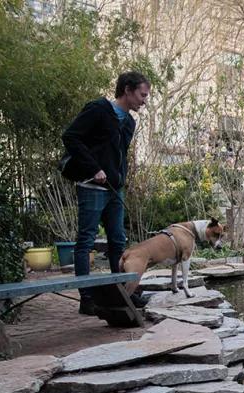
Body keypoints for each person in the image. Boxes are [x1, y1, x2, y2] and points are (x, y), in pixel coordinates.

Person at [62, 71, 150, 314]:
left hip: (115, 189)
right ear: (128, 90)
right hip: (92, 185)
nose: (144, 100)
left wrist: (121, 179)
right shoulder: (98, 110)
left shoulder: (130, 122)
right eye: (142, 95)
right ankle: (87, 299)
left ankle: (121, 294)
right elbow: (70, 137)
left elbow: (119, 156)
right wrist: (94, 168)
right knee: (86, 240)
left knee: (118, 242)